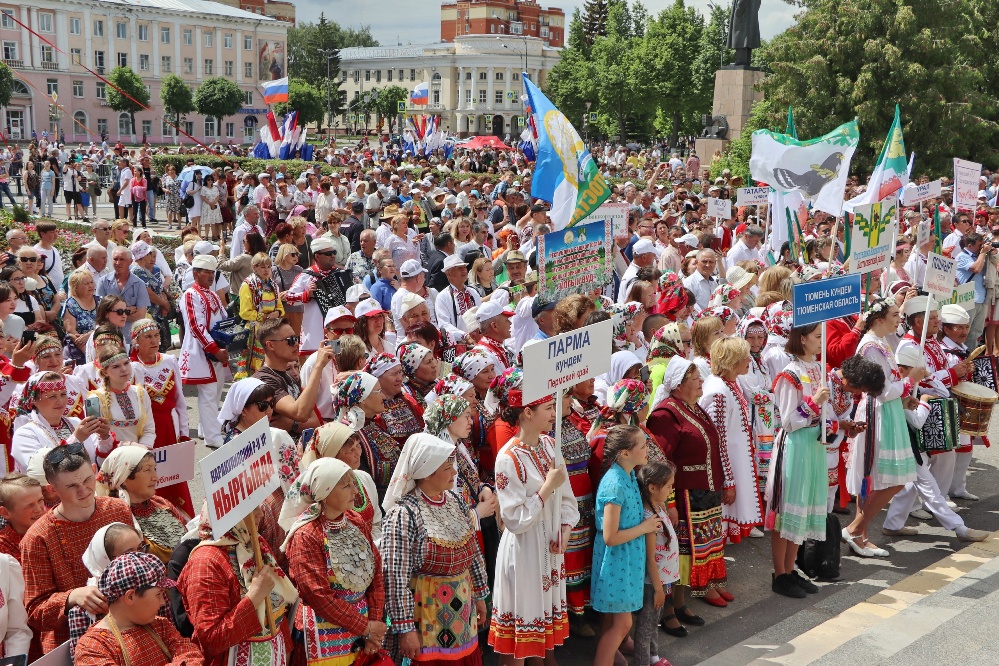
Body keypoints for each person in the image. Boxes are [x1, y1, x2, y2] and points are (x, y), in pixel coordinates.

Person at [488, 369, 578, 662]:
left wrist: (565, 529)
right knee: (518, 642)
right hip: (525, 554)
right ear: (528, 412)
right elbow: (514, 520)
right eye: (549, 407)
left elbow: (567, 499)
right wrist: (546, 490)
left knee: (540, 639)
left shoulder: (552, 445)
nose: (555, 413)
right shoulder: (507, 458)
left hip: (550, 550)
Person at [381, 433, 489, 665]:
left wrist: (480, 595)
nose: (454, 472)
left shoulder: (454, 500)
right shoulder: (404, 514)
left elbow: (473, 553)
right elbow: (394, 578)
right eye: (447, 467)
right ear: (427, 471)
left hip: (462, 617)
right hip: (425, 622)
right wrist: (405, 629)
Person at [21, 445, 134, 652]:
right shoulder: (38, 537)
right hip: (72, 642)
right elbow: (36, 613)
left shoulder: (118, 510)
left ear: (94, 470)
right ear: (52, 490)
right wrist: (72, 597)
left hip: (130, 626)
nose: (83, 490)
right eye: (72, 486)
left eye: (87, 480)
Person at [280, 458, 387, 664]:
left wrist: (374, 622)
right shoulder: (307, 535)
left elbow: (376, 572)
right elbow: (318, 595)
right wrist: (366, 628)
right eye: (346, 485)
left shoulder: (355, 520)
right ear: (324, 493)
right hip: (323, 634)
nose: (355, 491)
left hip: (364, 630)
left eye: (353, 483)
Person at [646, 357, 729, 622]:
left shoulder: (693, 408)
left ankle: (680, 604)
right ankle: (667, 611)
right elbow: (659, 461)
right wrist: (668, 502)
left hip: (703, 496)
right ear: (679, 384)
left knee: (690, 555)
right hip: (683, 497)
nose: (701, 382)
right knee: (677, 554)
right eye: (695, 379)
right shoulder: (665, 415)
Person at [846, 296, 921, 557]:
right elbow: (882, 391)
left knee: (884, 476)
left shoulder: (880, 343)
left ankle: (860, 533)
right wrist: (910, 380)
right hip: (877, 413)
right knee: (880, 475)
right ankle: (857, 529)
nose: (899, 319)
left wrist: (904, 399)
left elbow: (889, 387)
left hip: (887, 412)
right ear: (879, 320)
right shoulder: (870, 347)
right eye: (894, 315)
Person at [177, 505, 298, 666]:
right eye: (252, 507)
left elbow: (275, 611)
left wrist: (286, 649)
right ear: (228, 513)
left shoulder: (254, 543)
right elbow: (212, 640)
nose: (260, 514)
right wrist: (253, 597)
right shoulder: (205, 562)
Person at [591, 424, 661, 666]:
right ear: (624, 453)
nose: (647, 448)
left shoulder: (629, 475)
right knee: (623, 624)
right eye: (642, 445)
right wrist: (645, 527)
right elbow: (610, 536)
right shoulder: (614, 484)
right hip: (616, 562)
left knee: (615, 623)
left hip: (627, 560)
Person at [74, 551, 203, 666]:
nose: (163, 602)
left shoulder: (160, 625)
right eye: (158, 594)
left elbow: (190, 653)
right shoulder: (94, 647)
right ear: (130, 597)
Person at [699, 337, 763, 541]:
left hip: (737, 462)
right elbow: (718, 440)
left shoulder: (728, 384)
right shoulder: (719, 392)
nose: (749, 361)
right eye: (744, 357)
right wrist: (729, 481)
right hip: (729, 468)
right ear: (732, 361)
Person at [131, 318, 192, 515]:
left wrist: (183, 433)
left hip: (169, 426)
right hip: (147, 431)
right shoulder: (131, 367)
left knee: (173, 477)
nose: (154, 340)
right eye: (147, 337)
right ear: (136, 341)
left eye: (156, 335)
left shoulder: (169, 361)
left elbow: (180, 400)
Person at [96, 446, 188, 562]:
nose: (156, 477)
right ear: (123, 478)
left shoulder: (161, 503)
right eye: (147, 470)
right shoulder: (116, 518)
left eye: (154, 469)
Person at [11, 371, 115, 473]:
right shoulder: (25, 434)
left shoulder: (77, 423)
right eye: (52, 396)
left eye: (63, 394)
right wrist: (76, 439)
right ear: (34, 400)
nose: (60, 401)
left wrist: (104, 437)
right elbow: (41, 469)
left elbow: (100, 463)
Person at [299, 420, 382, 543]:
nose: (358, 453)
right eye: (349, 451)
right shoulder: (321, 494)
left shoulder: (364, 478)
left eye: (358, 445)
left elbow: (376, 524)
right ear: (330, 457)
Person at [179, 254, 230, 449]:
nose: (210, 276)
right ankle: (212, 436)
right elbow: (195, 326)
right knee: (209, 394)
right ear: (195, 273)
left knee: (216, 390)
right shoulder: (191, 294)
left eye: (212, 272)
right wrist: (215, 349)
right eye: (206, 272)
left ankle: (206, 428)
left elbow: (223, 319)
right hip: (201, 351)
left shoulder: (212, 293)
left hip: (215, 349)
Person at [635, 460, 681, 660]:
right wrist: (659, 589)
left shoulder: (658, 506)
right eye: (669, 485)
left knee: (654, 622)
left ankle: (654, 657)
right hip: (653, 583)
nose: (672, 489)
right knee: (646, 626)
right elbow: (650, 558)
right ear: (652, 487)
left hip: (661, 579)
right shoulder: (650, 518)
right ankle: (643, 661)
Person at [284, 237, 347, 357]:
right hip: (314, 335)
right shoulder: (305, 276)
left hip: (338, 333)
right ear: (317, 256)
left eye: (334, 252)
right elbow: (289, 299)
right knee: (314, 368)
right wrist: (307, 294)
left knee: (336, 364)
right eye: (328, 253)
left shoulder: (341, 274)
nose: (333, 256)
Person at [90, 345, 155, 448]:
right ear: (104, 372)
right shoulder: (93, 400)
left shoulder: (141, 393)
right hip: (110, 457)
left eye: (126, 363)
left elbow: (149, 429)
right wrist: (128, 449)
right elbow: (95, 438)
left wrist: (143, 449)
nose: (124, 369)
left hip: (140, 455)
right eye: (116, 366)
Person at [235, 253, 284, 379]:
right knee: (253, 363)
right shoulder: (248, 285)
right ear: (254, 267)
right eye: (262, 267)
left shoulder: (272, 285)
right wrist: (264, 317)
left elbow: (279, 306)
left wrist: (277, 313)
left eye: (268, 266)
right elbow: (245, 312)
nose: (266, 270)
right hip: (255, 330)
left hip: (271, 329)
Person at [97, 247, 150, 341]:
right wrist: (127, 310)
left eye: (122, 259)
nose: (118, 263)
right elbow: (100, 313)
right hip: (109, 337)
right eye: (115, 259)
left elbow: (140, 315)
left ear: (130, 261)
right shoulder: (103, 282)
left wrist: (113, 313)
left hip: (131, 337)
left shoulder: (139, 284)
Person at [0, 473, 46, 561]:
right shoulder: (3, 547)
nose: (38, 509)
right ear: (5, 512)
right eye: (29, 505)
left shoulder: (54, 528)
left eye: (40, 500)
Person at [272, 243, 304, 335]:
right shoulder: (273, 270)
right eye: (293, 254)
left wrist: (289, 293)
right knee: (282, 337)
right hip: (281, 310)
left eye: (297, 254)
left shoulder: (299, 270)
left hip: (297, 309)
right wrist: (279, 295)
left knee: (296, 337)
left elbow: (304, 288)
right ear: (284, 255)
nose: (296, 257)